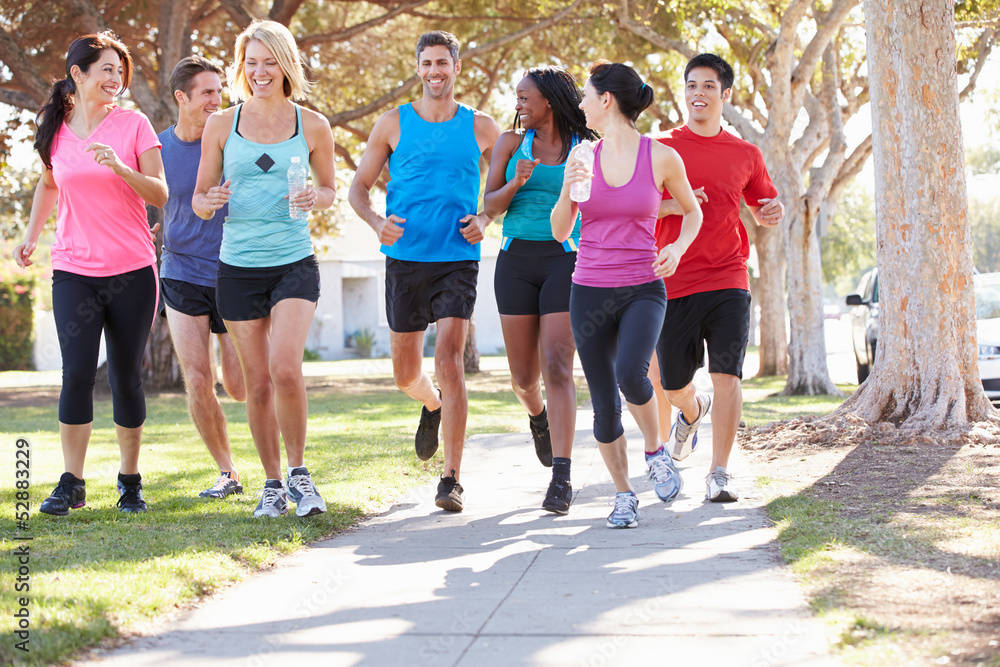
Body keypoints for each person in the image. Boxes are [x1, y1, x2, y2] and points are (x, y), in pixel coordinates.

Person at [14, 32, 168, 515]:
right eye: (106, 69)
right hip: (74, 270)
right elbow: (47, 183)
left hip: (132, 271)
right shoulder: (55, 130)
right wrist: (32, 234)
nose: (115, 78)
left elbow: (161, 193)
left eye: (119, 70)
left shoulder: (134, 125)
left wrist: (122, 168)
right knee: (77, 373)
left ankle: (129, 481)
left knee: (125, 377)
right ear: (78, 74)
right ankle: (72, 482)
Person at [348, 30, 500, 513]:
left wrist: (485, 218)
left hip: (457, 257)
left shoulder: (482, 127)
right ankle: (430, 403)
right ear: (419, 68)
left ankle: (451, 479)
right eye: (427, 63)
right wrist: (375, 223)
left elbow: (502, 187)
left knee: (450, 360)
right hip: (405, 260)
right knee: (405, 373)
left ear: (457, 67)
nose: (435, 71)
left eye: (443, 63)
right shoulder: (392, 124)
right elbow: (358, 188)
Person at [192, 20, 336, 519]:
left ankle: (300, 475)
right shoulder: (220, 124)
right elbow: (199, 200)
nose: (259, 72)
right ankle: (271, 484)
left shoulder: (312, 125)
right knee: (255, 382)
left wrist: (314, 197)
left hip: (294, 260)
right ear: (241, 67)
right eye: (251, 63)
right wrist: (209, 201)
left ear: (286, 64)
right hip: (238, 266)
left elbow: (329, 191)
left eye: (269, 62)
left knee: (285, 369)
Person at [551, 61, 702, 529]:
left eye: (586, 95)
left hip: (642, 287)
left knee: (632, 374)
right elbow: (560, 232)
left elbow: (693, 213)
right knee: (603, 404)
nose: (580, 104)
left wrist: (676, 247)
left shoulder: (660, 157)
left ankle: (656, 453)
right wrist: (566, 189)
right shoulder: (582, 157)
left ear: (606, 101)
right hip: (590, 289)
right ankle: (623, 496)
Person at [652, 53, 784, 502]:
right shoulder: (662, 148)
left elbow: (763, 205)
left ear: (725, 95)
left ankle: (720, 473)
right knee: (673, 386)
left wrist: (771, 213)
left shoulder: (745, 153)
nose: (698, 93)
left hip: (729, 276)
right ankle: (691, 412)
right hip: (674, 281)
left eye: (708, 86)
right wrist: (677, 206)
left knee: (728, 374)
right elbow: (633, 207)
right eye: (691, 85)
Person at [483, 66, 597, 515]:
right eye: (516, 97)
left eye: (525, 97)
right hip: (515, 260)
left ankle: (562, 476)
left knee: (557, 364)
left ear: (548, 100)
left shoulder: (584, 148)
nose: (519, 104)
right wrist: (516, 181)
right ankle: (538, 418)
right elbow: (489, 205)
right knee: (524, 378)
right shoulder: (511, 145)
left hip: (565, 259)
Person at [159, 55, 247, 500]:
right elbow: (152, 202)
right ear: (182, 97)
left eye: (220, 91)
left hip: (233, 272)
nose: (218, 100)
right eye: (208, 92)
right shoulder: (157, 149)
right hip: (180, 273)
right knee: (197, 378)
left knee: (238, 386)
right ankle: (228, 472)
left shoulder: (234, 143)